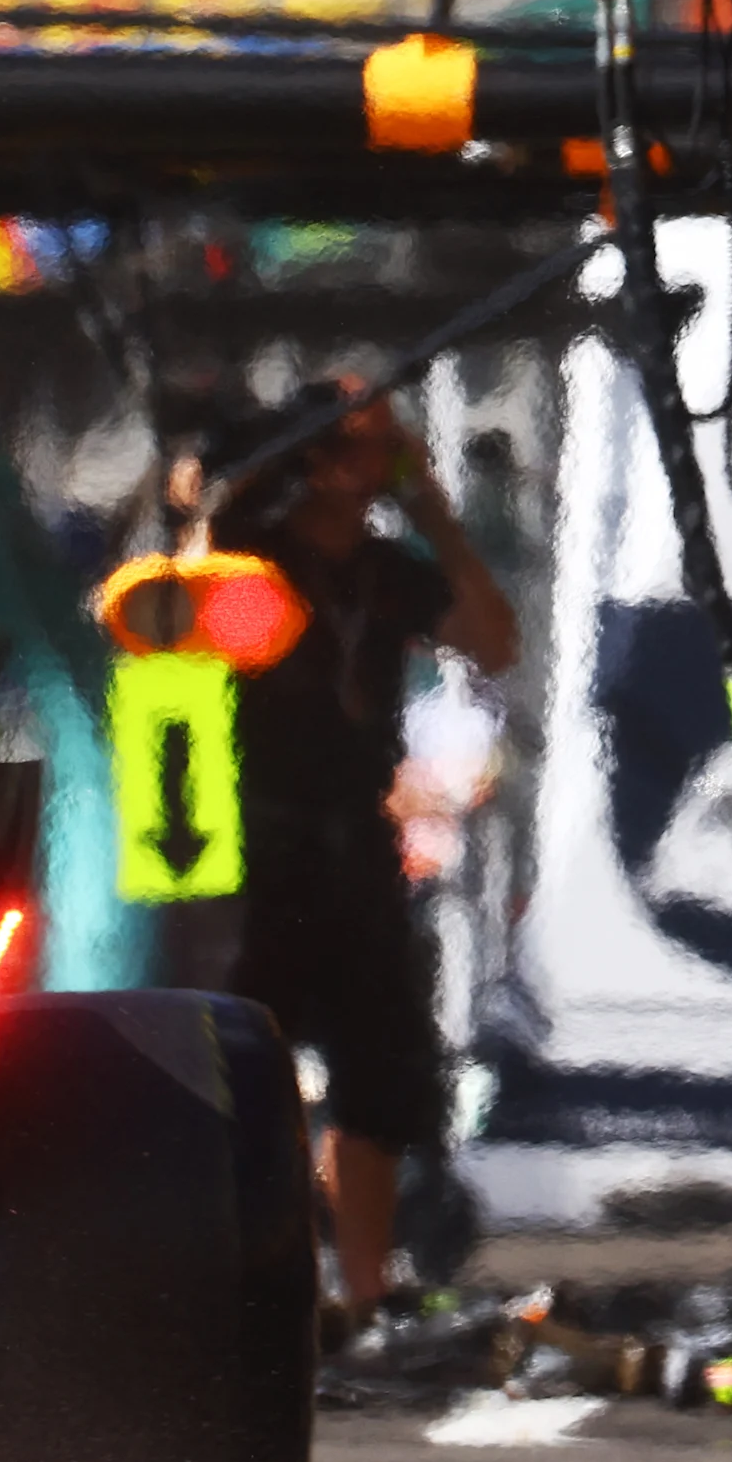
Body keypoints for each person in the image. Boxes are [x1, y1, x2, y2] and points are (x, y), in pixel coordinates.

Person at [210, 383, 517, 1328]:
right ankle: (254, 1273)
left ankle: (367, 1286)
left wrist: (430, 504)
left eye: (383, 444)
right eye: (351, 443)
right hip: (261, 843)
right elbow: (174, 617)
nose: (368, 462)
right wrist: (234, 487)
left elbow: (493, 642)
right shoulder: (254, 561)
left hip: (357, 842)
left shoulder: (386, 572)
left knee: (381, 1072)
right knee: (242, 1065)